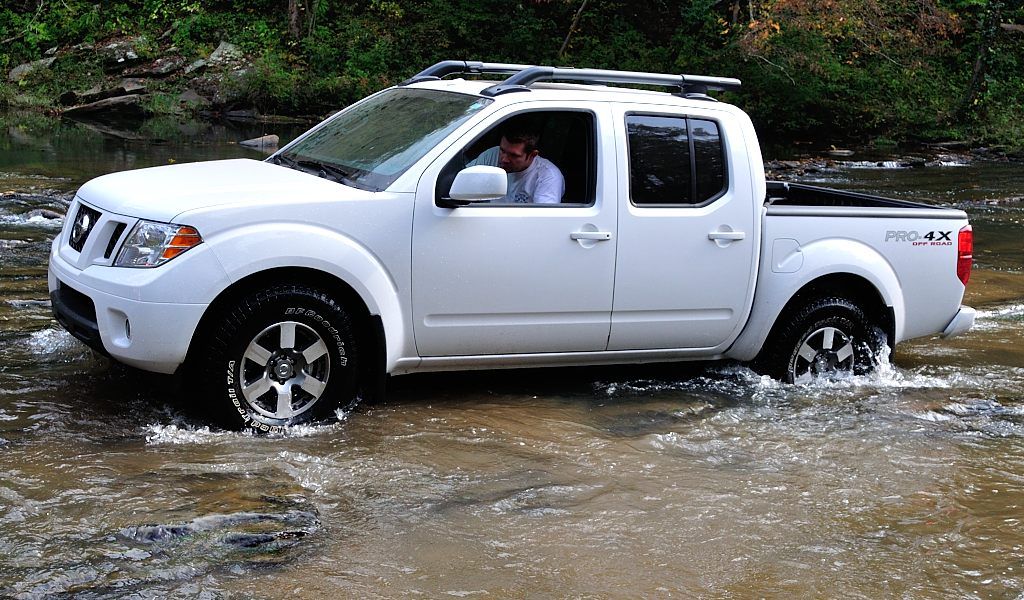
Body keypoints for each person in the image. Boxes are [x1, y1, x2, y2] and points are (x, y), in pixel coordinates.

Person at [468, 125, 564, 204]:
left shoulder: (548, 176)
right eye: (502, 150)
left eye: (513, 155)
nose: (504, 159)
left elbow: (543, 220)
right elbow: (463, 178)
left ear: (532, 155)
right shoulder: (492, 155)